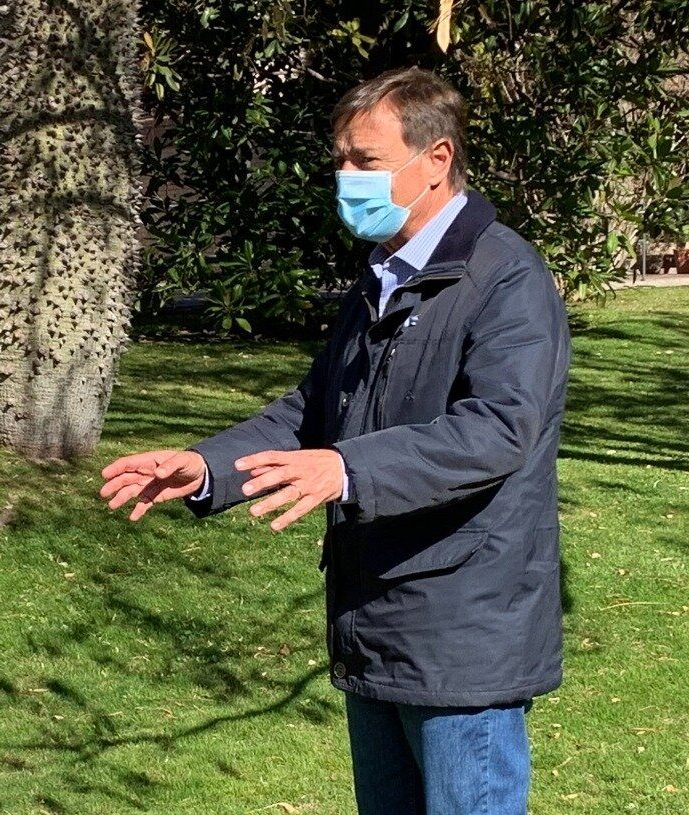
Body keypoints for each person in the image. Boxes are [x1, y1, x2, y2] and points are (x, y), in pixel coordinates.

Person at [100, 67, 570, 815]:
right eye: (341, 160)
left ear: (437, 159)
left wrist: (347, 468)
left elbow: (497, 428)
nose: (347, 177)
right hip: (375, 620)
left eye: (366, 160)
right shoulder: (381, 277)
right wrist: (206, 467)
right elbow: (315, 408)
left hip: (461, 632)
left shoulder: (506, 278)